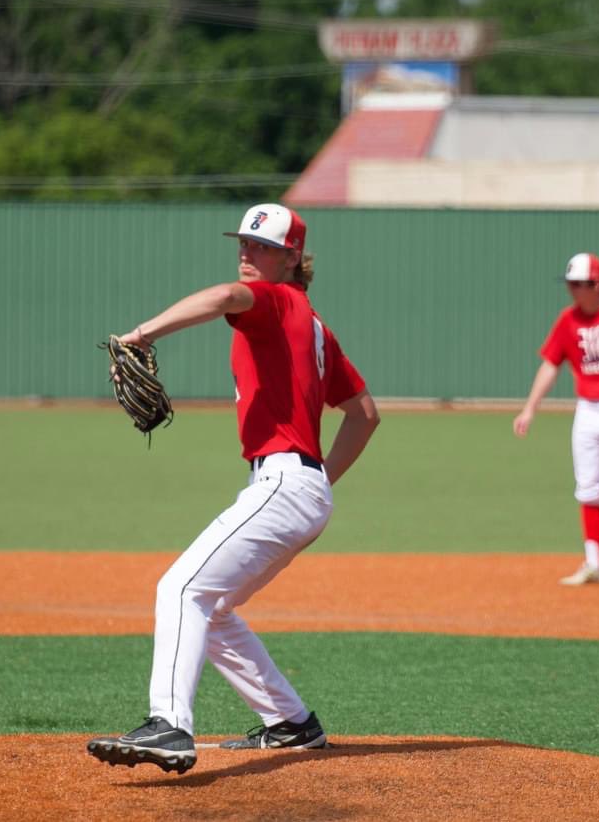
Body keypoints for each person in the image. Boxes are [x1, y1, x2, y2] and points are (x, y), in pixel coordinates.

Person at [87, 203, 380, 774]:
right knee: (213, 607)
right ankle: (291, 723)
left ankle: (170, 725)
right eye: (244, 242)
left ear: (292, 258)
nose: (248, 253)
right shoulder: (316, 327)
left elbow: (225, 297)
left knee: (180, 589)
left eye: (263, 247)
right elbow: (364, 414)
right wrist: (319, 480)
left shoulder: (278, 300)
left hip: (284, 482)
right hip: (296, 484)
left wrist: (140, 335)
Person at [513, 252, 599, 588]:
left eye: (579, 284)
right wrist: (530, 408)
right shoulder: (568, 320)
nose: (572, 289)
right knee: (588, 488)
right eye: (570, 284)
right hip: (588, 411)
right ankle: (594, 562)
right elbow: (551, 364)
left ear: (597, 284)